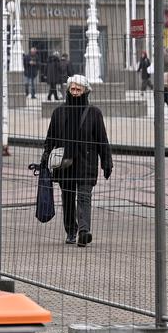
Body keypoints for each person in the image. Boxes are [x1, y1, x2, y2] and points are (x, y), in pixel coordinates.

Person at [40, 74, 112, 247]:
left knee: (84, 197)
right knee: (68, 198)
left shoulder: (94, 113)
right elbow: (50, 139)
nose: (75, 92)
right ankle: (71, 230)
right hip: (65, 164)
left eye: (78, 89)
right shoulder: (59, 112)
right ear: (67, 90)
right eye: (72, 89)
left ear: (86, 91)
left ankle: (83, 232)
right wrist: (45, 158)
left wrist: (106, 161)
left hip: (87, 163)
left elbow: (102, 139)